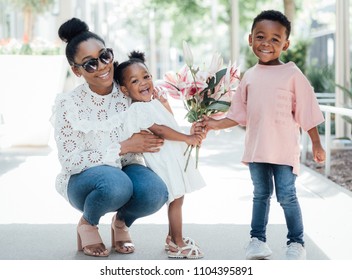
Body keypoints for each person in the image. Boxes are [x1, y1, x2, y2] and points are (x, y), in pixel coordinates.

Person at [201, 10, 326, 260]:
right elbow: (237, 114)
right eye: (260, 37)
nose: (266, 43)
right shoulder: (250, 76)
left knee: (287, 196)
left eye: (275, 39)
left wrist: (317, 144)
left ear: (285, 44)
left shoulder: (292, 74)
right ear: (250, 39)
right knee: (260, 195)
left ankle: (296, 243)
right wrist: (211, 124)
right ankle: (257, 241)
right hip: (257, 150)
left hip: (283, 151)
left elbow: (307, 111)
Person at [52, 17, 168, 257]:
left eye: (104, 56)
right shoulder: (68, 104)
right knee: (117, 183)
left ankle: (121, 223)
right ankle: (88, 223)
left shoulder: (128, 89)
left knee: (156, 192)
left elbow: (159, 121)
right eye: (90, 64)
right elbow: (70, 161)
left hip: (126, 170)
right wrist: (122, 146)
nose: (103, 66)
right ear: (76, 70)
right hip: (84, 180)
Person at [113, 51, 206, 259]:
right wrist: (187, 138)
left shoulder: (151, 104)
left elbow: (170, 122)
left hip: (173, 157)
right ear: (125, 89)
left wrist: (165, 105)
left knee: (178, 199)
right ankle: (177, 242)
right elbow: (161, 130)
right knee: (176, 199)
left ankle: (172, 237)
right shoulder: (138, 109)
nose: (144, 83)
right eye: (135, 81)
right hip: (164, 162)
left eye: (146, 77)